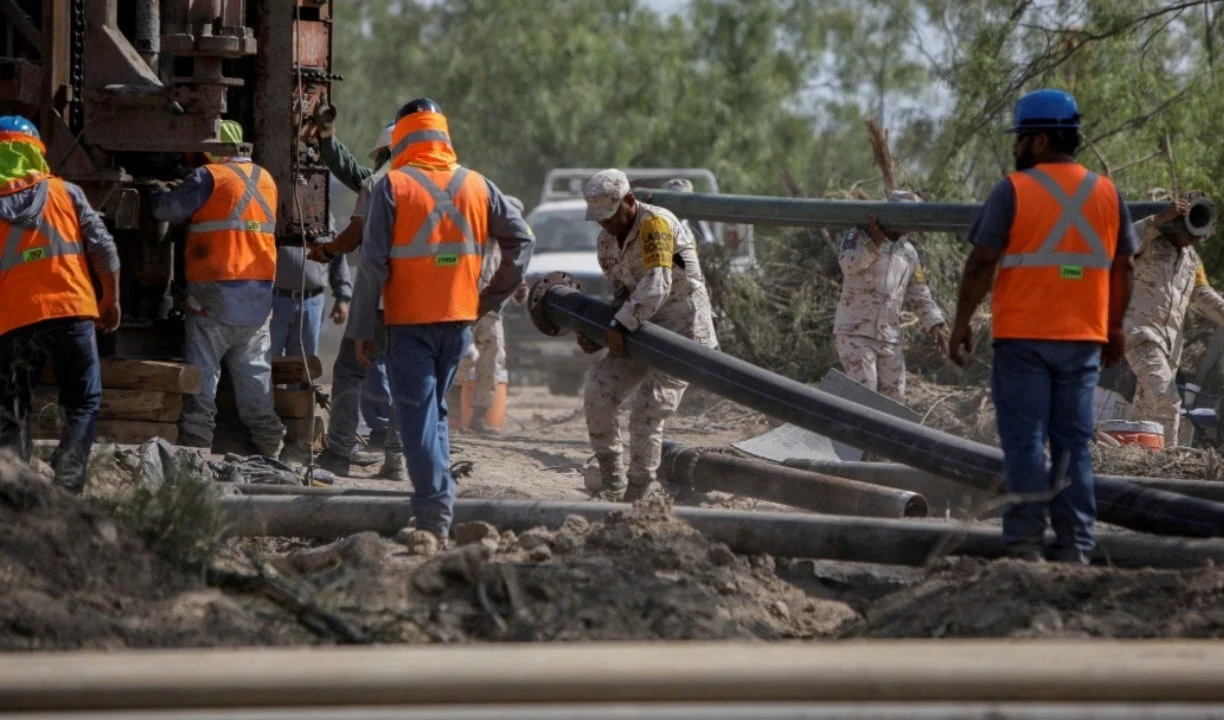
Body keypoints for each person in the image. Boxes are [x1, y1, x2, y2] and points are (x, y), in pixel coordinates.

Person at [948, 89, 1137, 564]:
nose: (1015, 146)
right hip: (1083, 340)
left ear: (1039, 140)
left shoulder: (1012, 190)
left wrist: (962, 322)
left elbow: (981, 262)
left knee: (1026, 444)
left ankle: (1025, 546)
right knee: (1073, 446)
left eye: (1020, 138)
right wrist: (1115, 328)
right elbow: (1125, 267)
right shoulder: (1107, 193)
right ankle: (1075, 547)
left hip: (1023, 340)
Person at [347, 98, 534, 544]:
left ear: (402, 137)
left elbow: (372, 264)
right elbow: (522, 241)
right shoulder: (478, 184)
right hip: (459, 324)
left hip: (410, 324)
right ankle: (440, 502)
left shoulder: (392, 186)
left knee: (416, 419)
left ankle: (433, 515)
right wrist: (490, 298)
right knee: (434, 412)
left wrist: (362, 328)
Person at [580, 168, 718, 501]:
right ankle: (612, 481)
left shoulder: (655, 224)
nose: (606, 224)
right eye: (600, 219)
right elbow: (621, 293)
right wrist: (599, 333)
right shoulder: (606, 242)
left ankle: (639, 490)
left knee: (648, 408)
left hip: (682, 329)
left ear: (629, 201)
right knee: (598, 390)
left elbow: (658, 283)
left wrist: (619, 326)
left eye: (610, 216)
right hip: (640, 328)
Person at [0, 115, 120, 493]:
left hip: (14, 320)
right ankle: (68, 483)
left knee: (12, 408)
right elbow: (104, 249)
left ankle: (13, 489)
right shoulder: (66, 193)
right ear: (37, 152)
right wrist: (110, 299)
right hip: (72, 312)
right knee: (82, 402)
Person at [152, 119, 285, 458]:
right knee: (255, 381)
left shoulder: (209, 176)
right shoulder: (266, 179)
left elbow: (166, 210)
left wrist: (156, 191)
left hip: (214, 295)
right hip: (258, 298)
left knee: (203, 378)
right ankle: (273, 448)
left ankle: (197, 451)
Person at [311, 120, 406, 481]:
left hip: (378, 298)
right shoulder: (433, 184)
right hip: (417, 302)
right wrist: (328, 142)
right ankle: (396, 461)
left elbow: (354, 233)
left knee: (350, 371)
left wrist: (326, 251)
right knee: (407, 377)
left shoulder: (378, 183)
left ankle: (338, 452)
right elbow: (352, 171)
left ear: (383, 153)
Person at [1123, 196, 1224, 446]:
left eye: (1196, 238)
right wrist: (1158, 220)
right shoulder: (1149, 239)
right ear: (1174, 224)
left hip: (1169, 348)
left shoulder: (1192, 260)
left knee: (1146, 412)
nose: (1191, 241)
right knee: (1168, 402)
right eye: (1187, 235)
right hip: (1139, 334)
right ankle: (1168, 460)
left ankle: (1137, 460)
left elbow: (1203, 295)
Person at [834, 189, 947, 401]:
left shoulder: (909, 252)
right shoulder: (860, 236)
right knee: (864, 397)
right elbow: (848, 264)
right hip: (856, 332)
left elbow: (920, 291)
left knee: (894, 400)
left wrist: (934, 323)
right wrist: (874, 244)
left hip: (888, 337)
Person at [450, 195, 529, 435]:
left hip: (492, 313)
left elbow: (516, 284)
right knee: (464, 355)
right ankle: (452, 411)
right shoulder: (472, 236)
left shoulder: (512, 247)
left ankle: (479, 417)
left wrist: (520, 290)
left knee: (492, 361)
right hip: (464, 307)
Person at [269, 208, 351, 359]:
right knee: (268, 361)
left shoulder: (323, 214)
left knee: (304, 363)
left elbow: (337, 253)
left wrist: (343, 297)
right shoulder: (275, 208)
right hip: (275, 301)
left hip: (312, 303)